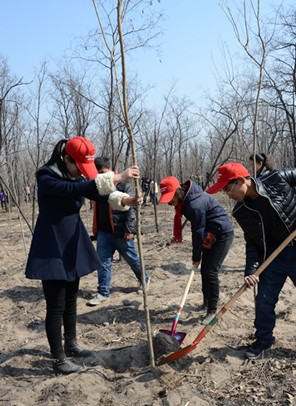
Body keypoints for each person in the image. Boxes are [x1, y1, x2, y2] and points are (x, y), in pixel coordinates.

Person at [25, 136, 141, 375]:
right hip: (52, 245)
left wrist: (125, 199)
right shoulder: (46, 176)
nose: (81, 173)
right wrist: (117, 177)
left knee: (71, 299)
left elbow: (97, 194)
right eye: (78, 167)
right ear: (66, 159)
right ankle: (58, 359)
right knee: (55, 305)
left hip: (73, 242)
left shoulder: (76, 175)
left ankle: (72, 344)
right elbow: (76, 189)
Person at [206, 162, 296, 367]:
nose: (227, 195)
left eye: (228, 189)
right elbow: (253, 242)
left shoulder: (275, 179)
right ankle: (264, 340)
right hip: (274, 256)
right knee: (264, 299)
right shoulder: (241, 211)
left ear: (241, 181)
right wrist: (251, 271)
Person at [158, 176, 234, 325]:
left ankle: (212, 311)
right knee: (205, 270)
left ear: (178, 192)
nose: (168, 202)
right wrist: (198, 256)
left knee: (210, 271)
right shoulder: (186, 201)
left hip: (222, 234)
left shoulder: (194, 205)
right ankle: (206, 303)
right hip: (210, 232)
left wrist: (196, 256)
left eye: (170, 198)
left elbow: (197, 232)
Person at [87, 157, 149, 306]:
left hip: (121, 232)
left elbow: (131, 209)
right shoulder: (96, 186)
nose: (101, 176)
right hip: (103, 232)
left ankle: (144, 279)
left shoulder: (123, 186)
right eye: (98, 174)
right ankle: (103, 293)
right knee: (103, 263)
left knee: (132, 259)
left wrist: (129, 229)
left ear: (110, 170)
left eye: (103, 173)